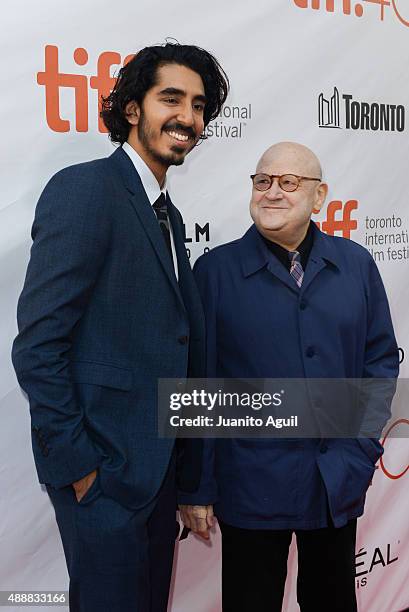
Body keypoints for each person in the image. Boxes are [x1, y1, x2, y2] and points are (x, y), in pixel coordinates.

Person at [12, 42, 229, 612]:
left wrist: (187, 477)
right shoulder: (87, 189)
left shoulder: (167, 213)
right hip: (105, 478)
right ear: (132, 109)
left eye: (200, 105)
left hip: (156, 476)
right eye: (172, 99)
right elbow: (38, 345)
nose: (188, 117)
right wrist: (81, 469)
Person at [179, 142, 399, 612]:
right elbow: (200, 383)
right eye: (263, 181)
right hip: (251, 485)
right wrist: (196, 487)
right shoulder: (215, 272)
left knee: (333, 600)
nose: (272, 192)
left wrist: (361, 448)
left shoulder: (356, 264)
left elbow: (380, 361)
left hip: (334, 479)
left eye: (288, 182)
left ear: (319, 197)